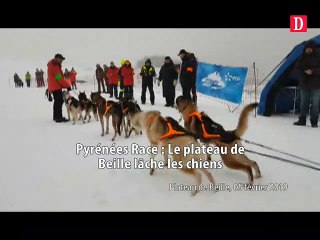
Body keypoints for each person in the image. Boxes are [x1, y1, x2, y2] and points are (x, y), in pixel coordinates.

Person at [293, 40, 320, 128]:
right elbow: (296, 68)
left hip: (316, 85)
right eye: (306, 48)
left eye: (309, 48)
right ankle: (302, 120)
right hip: (304, 84)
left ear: (313, 48)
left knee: (315, 104)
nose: (308, 50)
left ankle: (314, 121)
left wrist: (313, 71)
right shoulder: (302, 57)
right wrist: (303, 72)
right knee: (304, 103)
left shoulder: (318, 57)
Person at [47, 53, 71, 123]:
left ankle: (56, 116)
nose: (61, 61)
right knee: (59, 101)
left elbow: (57, 77)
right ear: (57, 58)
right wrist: (67, 86)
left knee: (57, 101)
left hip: (54, 86)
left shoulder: (52, 65)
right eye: (61, 59)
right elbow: (59, 78)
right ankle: (58, 117)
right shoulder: (55, 66)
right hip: (56, 87)